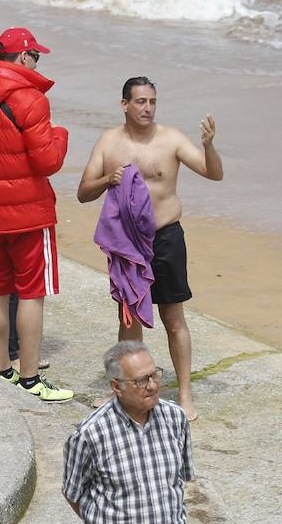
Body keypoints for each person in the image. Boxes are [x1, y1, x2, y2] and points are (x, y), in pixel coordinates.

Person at [77, 77, 223, 421]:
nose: (147, 108)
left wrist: (209, 145)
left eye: (152, 101)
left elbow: (212, 173)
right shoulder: (109, 142)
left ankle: (185, 394)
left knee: (174, 319)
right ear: (124, 104)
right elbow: (83, 191)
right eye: (140, 101)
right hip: (127, 243)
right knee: (128, 320)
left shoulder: (170, 139)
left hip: (166, 238)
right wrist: (107, 179)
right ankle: (127, 392)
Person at [0, 27, 72, 402]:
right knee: (31, 292)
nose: (37, 61)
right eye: (35, 55)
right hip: (27, 212)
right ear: (23, 57)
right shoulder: (30, 99)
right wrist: (61, 135)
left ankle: (2, 367)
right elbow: (48, 161)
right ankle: (30, 378)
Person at [62, 341, 194, 523]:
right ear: (116, 387)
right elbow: (72, 493)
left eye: (154, 375)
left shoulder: (175, 418)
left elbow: (181, 479)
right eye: (141, 380)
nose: (153, 386)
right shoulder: (90, 435)